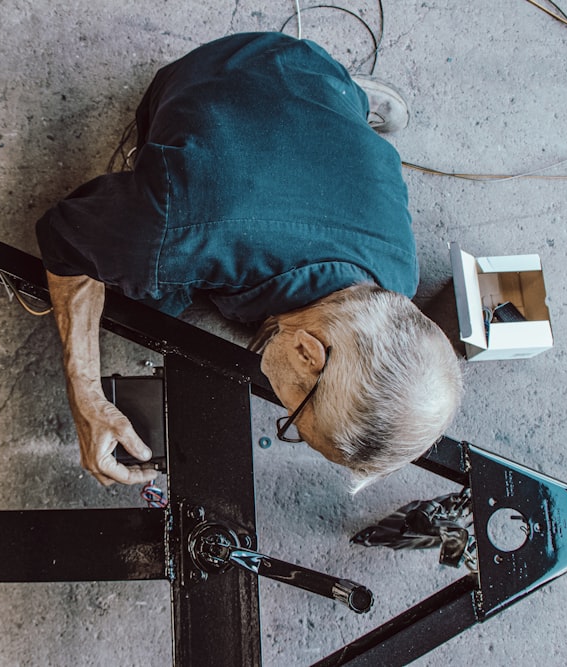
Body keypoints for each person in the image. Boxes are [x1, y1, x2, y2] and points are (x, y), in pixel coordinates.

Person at [35, 32, 462, 492]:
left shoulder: (398, 275)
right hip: (210, 73)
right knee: (143, 308)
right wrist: (85, 395)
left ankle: (348, 99)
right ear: (306, 352)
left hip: (316, 71)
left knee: (330, 106)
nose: (286, 416)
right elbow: (63, 237)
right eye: (294, 420)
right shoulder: (175, 235)